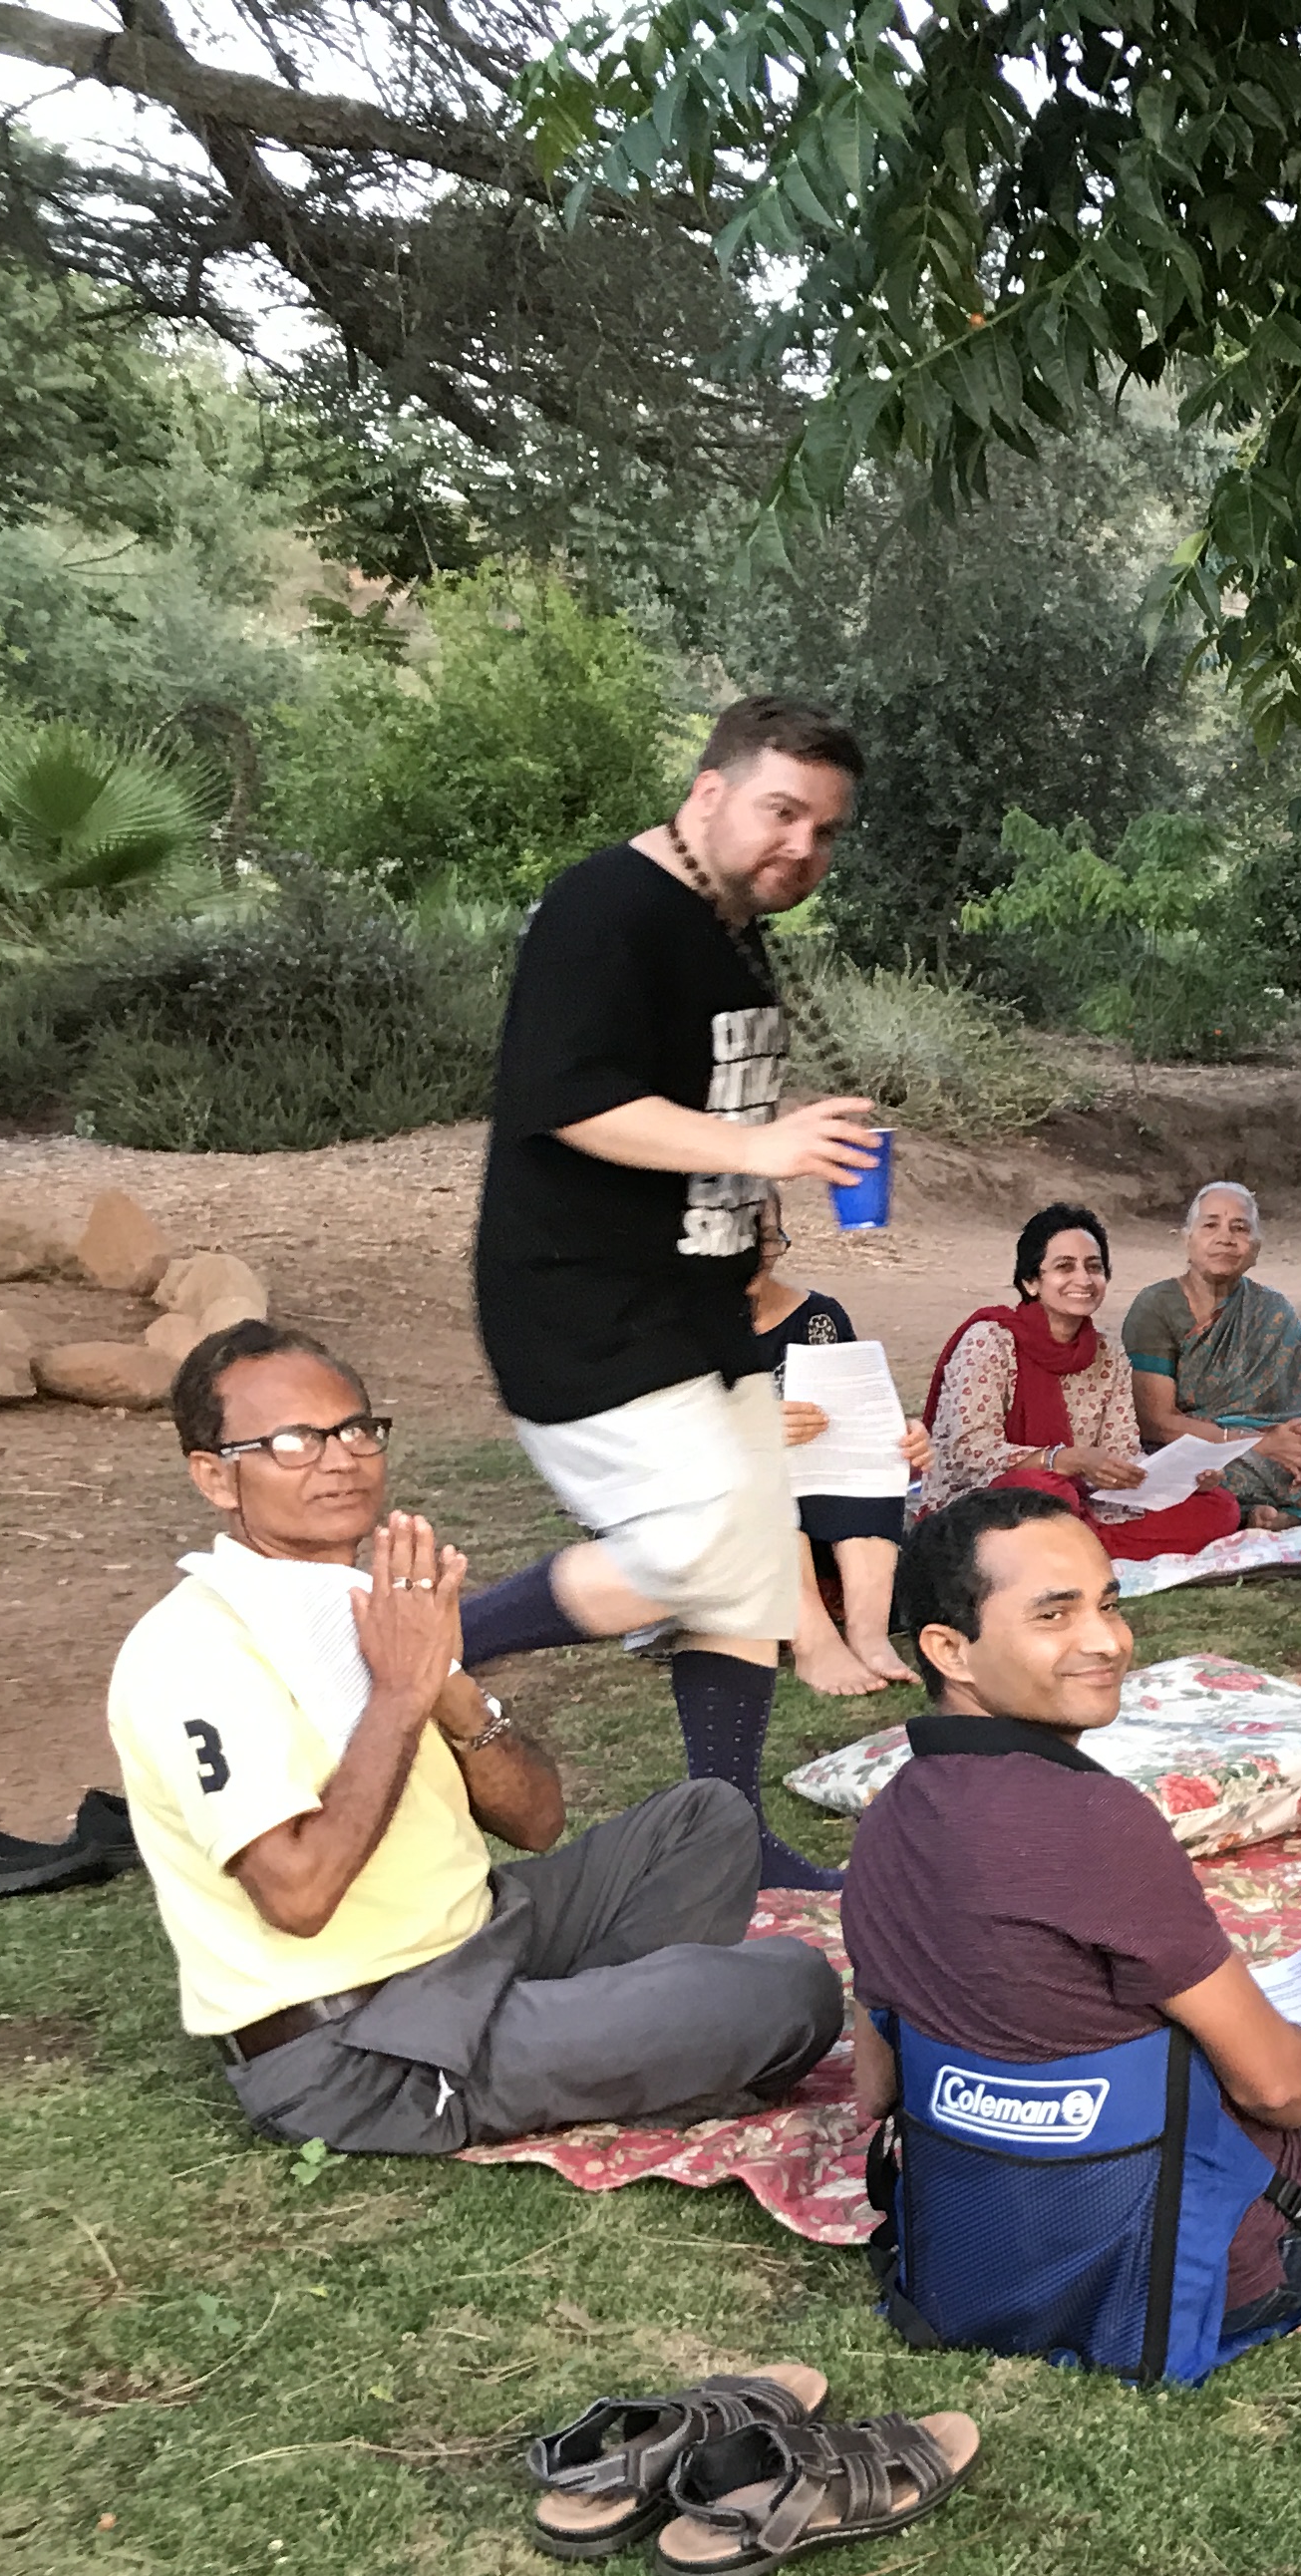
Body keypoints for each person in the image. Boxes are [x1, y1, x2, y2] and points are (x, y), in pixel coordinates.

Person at [842, 1488, 1301, 2364]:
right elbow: (1281, 2094)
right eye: (1055, 1614)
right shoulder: (1093, 1821)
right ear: (950, 1650)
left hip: (980, 2245)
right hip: (1201, 2251)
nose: (1107, 1641)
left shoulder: (889, 1818)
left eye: (1108, 1604)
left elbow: (876, 2089)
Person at [111, 1325, 842, 2154]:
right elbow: (298, 1899)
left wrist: (453, 1695)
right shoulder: (196, 1650)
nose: (340, 1459)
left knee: (707, 1819)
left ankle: (600, 2043)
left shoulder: (365, 1602)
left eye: (355, 1430)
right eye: (292, 1442)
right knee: (794, 1987)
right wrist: (400, 1693)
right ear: (215, 1475)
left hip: (481, 1942)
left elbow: (536, 1823)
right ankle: (606, 2048)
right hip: (368, 2044)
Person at [454, 694, 882, 1892]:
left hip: (698, 1299)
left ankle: (727, 1840)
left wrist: (758, 1192)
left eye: (825, 829)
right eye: (781, 811)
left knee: (752, 1568)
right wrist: (760, 1148)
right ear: (708, 791)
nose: (802, 845)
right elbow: (568, 1096)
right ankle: (424, 1645)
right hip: (582, 1301)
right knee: (700, 1550)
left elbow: (702, 1101)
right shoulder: (605, 906)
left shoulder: (728, 922)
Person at [919, 1204, 1244, 1561]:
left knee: (1219, 1507)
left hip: (1082, 1501)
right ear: (1031, 1282)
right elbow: (968, 1452)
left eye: (1094, 1267)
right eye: (1064, 1267)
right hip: (988, 1498)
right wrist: (1063, 1459)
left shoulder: (1108, 1354)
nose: (1084, 1280)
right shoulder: (990, 1341)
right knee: (1044, 1494)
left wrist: (1183, 1477)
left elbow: (1121, 1452)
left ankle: (1069, 1546)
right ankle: (1069, 1543)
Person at [1120, 1182, 1301, 1524]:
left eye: (1240, 1228)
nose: (1225, 1238)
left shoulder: (1272, 1308)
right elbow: (1156, 1423)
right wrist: (1255, 1444)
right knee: (1201, 1474)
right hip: (1206, 1450)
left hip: (1276, 1449)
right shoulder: (1156, 1306)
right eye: (1211, 1225)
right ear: (1188, 1240)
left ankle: (1284, 1515)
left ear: (1256, 1249)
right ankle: (1284, 1508)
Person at [749, 1188, 933, 1696]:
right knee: (755, 1474)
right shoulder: (669, 1325)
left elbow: (854, 1417)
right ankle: (814, 1642)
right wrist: (749, 1427)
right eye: (743, 1240)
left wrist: (900, 1436)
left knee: (868, 1455)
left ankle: (869, 1635)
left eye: (769, 1239)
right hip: (724, 1507)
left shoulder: (819, 1318)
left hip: (818, 1508)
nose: (758, 1254)